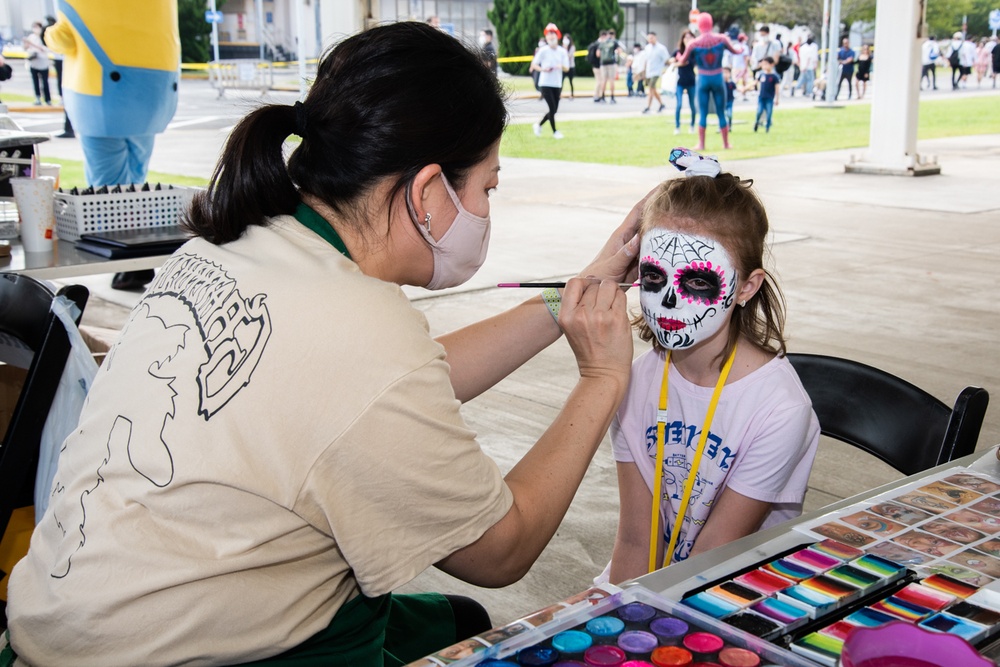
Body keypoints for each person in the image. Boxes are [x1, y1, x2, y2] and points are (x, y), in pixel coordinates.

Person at [6, 22, 639, 666]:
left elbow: (385, 395)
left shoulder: (237, 247)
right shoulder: (362, 332)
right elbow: (501, 549)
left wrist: (569, 296)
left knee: (456, 620)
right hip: (181, 654)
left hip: (59, 625)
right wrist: (602, 379)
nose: (485, 209)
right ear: (427, 192)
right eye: (486, 188)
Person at [605, 149, 819, 582]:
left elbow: (710, 563)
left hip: (731, 589)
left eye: (698, 281)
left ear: (746, 287)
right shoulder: (633, 382)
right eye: (653, 277)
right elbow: (634, 541)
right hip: (649, 579)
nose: (668, 301)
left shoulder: (780, 409)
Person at [44, 0, 181, 291]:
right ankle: (140, 256)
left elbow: (61, 39)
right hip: (150, 96)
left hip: (102, 97)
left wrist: (49, 33)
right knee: (135, 182)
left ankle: (128, 261)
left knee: (106, 190)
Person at [675, 13, 739, 150]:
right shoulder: (721, 39)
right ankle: (726, 143)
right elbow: (735, 51)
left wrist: (680, 55)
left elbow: (682, 60)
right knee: (721, 111)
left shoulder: (694, 43)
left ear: (699, 25)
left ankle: (702, 144)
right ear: (711, 23)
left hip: (703, 78)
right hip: (718, 76)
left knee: (702, 112)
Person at [530, 23, 570, 139]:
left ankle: (538, 125)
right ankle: (555, 131)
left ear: (557, 36)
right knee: (552, 108)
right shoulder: (543, 50)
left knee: (554, 109)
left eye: (553, 35)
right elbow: (534, 64)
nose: (551, 38)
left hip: (557, 83)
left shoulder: (562, 51)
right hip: (545, 83)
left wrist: (560, 66)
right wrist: (543, 69)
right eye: (548, 35)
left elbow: (567, 68)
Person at [671, 30, 697, 136]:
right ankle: (677, 126)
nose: (687, 40)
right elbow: (670, 59)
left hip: (691, 81)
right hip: (680, 82)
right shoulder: (678, 51)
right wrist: (673, 62)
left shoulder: (694, 52)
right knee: (679, 104)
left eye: (690, 37)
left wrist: (677, 64)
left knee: (692, 105)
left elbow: (686, 62)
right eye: (685, 37)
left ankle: (692, 125)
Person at [23, 21, 52, 106]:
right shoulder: (31, 37)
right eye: (34, 27)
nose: (35, 29)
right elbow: (25, 48)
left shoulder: (44, 37)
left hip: (43, 63)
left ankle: (48, 99)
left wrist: (32, 44)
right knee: (35, 82)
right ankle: (38, 97)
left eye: (37, 27)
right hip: (33, 63)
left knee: (45, 82)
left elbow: (45, 49)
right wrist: (26, 45)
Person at [642, 32, 669, 113]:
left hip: (657, 71)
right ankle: (661, 104)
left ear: (655, 38)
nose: (650, 40)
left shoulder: (661, 48)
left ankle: (648, 107)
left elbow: (666, 59)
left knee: (651, 88)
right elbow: (646, 60)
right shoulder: (647, 48)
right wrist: (644, 71)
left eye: (652, 38)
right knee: (653, 89)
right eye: (649, 38)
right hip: (649, 71)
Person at [596, 29, 624, 104]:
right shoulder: (614, 42)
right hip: (611, 63)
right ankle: (612, 97)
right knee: (611, 80)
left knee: (604, 81)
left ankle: (602, 97)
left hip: (603, 63)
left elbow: (598, 54)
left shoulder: (602, 42)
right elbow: (619, 51)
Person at [754, 57, 781, 132]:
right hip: (761, 97)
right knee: (759, 111)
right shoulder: (761, 75)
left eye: (766, 64)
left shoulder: (774, 77)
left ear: (771, 65)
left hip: (769, 98)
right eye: (763, 65)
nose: (764, 66)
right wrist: (744, 89)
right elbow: (755, 83)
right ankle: (756, 122)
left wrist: (777, 99)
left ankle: (767, 127)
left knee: (769, 113)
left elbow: (777, 89)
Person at [588, 30, 608, 102]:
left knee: (599, 81)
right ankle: (596, 95)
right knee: (599, 81)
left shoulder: (595, 43)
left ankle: (599, 95)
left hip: (595, 65)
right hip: (598, 66)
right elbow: (598, 55)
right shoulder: (599, 44)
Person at [562, 32, 576, 97]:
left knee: (571, 81)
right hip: (564, 67)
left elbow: (568, 56)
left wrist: (565, 48)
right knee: (561, 81)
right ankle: (559, 94)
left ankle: (572, 94)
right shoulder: (561, 48)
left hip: (571, 66)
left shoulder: (572, 47)